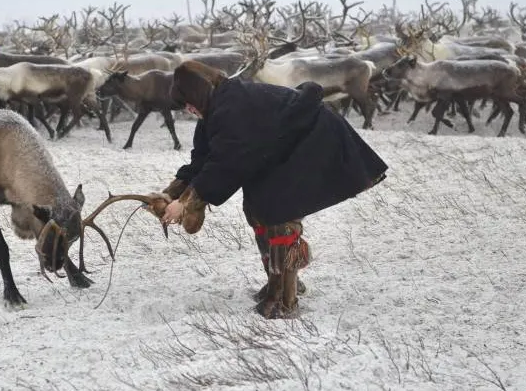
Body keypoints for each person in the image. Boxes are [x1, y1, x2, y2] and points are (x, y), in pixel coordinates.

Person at [146, 60, 388, 319]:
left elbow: (226, 164)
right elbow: (203, 159)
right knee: (257, 209)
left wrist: (186, 203)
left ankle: (285, 298)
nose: (189, 110)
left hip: (313, 142)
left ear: (197, 94)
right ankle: (278, 283)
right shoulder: (213, 112)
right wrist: (171, 193)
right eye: (184, 106)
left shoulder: (231, 109)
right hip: (282, 150)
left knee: (278, 213)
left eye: (188, 102)